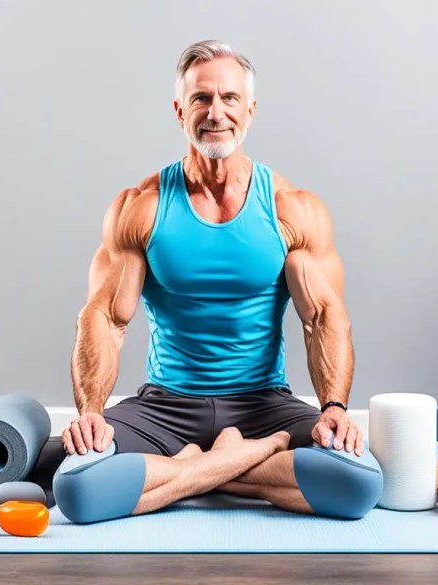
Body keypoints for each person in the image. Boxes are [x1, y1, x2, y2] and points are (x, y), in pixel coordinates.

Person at [53, 40, 383, 524]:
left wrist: (333, 406)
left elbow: (324, 317)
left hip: (264, 405)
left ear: (250, 110)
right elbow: (104, 317)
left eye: (229, 98)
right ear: (179, 110)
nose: (216, 112)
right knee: (77, 487)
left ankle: (186, 471)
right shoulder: (140, 206)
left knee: (358, 483)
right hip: (166, 409)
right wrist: (92, 412)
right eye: (202, 98)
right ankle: (244, 459)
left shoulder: (292, 208)